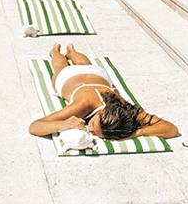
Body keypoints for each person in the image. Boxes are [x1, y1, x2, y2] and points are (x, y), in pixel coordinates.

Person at [28, 43, 178, 141]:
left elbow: (172, 129)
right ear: (99, 114)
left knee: (83, 63)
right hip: (68, 77)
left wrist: (135, 133)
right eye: (93, 124)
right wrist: (65, 123)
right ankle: (55, 52)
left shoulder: (125, 109)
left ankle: (72, 51)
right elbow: (35, 126)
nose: (90, 129)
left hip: (96, 74)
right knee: (59, 67)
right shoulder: (83, 105)